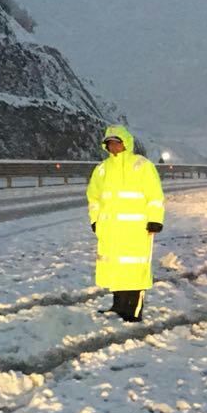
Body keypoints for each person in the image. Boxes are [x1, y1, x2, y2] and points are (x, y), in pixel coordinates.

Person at [87, 125, 165, 322]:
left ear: (125, 143)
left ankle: (133, 311)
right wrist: (95, 220)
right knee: (116, 268)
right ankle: (118, 306)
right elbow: (93, 198)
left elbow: (154, 195)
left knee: (135, 269)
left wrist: (155, 219)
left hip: (136, 230)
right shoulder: (102, 169)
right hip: (111, 231)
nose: (114, 147)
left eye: (117, 142)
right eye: (110, 143)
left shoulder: (142, 165)